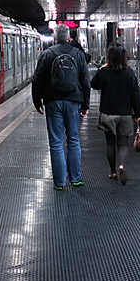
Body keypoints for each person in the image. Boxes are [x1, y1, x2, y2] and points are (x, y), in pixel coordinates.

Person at [32, 24, 91, 190]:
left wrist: (37, 101)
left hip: (52, 101)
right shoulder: (78, 54)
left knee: (56, 142)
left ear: (54, 37)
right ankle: (75, 179)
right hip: (73, 101)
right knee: (73, 139)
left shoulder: (47, 54)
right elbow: (85, 80)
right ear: (68, 37)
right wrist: (85, 104)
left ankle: (59, 182)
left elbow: (37, 79)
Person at [91, 43, 140, 185]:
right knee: (123, 144)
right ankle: (122, 166)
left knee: (110, 143)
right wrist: (137, 114)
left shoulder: (105, 72)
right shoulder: (129, 73)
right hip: (124, 114)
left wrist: (100, 70)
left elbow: (94, 84)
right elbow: (135, 95)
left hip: (108, 114)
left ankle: (112, 172)